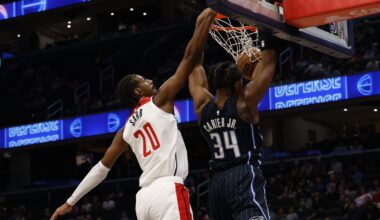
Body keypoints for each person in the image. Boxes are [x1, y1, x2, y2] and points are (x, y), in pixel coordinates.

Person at [50, 8, 217, 220]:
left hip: (144, 200)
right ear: (138, 91)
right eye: (144, 80)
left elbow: (101, 170)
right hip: (167, 190)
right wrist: (205, 19)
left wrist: (69, 202)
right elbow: (191, 56)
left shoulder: (125, 129)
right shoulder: (160, 101)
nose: (151, 81)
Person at [188, 30, 277, 220]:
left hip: (217, 184)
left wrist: (201, 27)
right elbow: (269, 60)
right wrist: (266, 23)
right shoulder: (244, 103)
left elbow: (193, 62)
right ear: (238, 85)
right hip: (243, 175)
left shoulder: (201, 106)